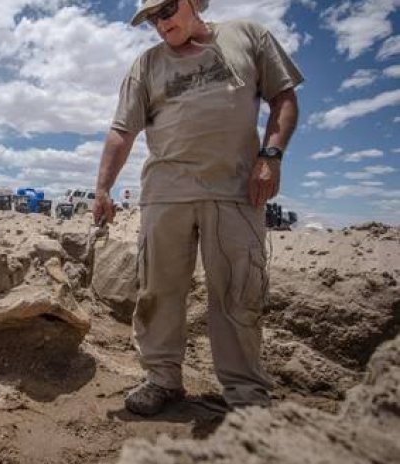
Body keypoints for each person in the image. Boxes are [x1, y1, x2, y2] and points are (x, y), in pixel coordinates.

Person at [93, 0, 302, 415]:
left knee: (239, 293)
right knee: (158, 292)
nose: (160, 22)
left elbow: (284, 98)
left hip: (236, 193)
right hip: (165, 194)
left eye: (167, 10)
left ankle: (246, 395)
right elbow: (122, 130)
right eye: (152, 18)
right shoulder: (146, 65)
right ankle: (162, 380)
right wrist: (102, 189)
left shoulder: (248, 36)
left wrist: (271, 156)